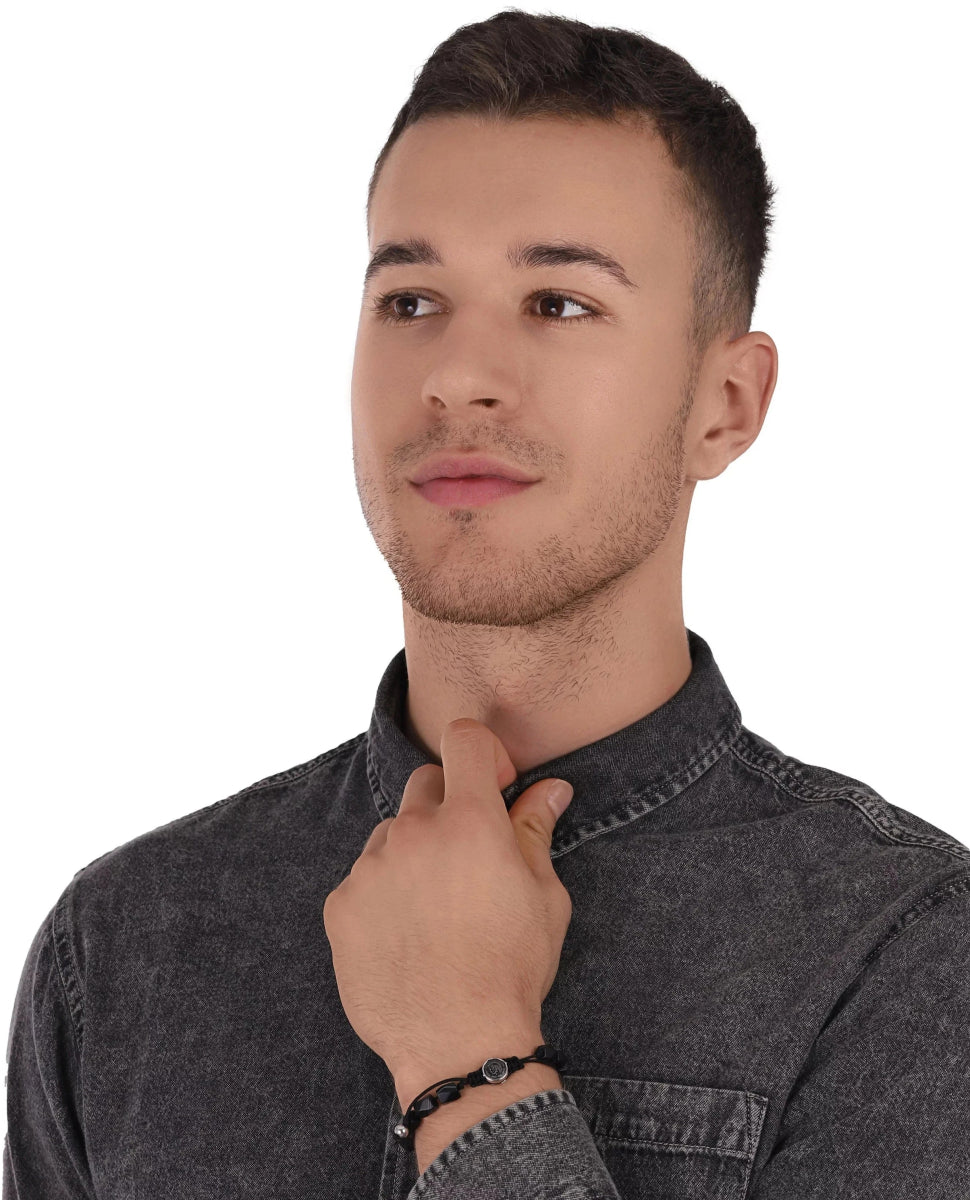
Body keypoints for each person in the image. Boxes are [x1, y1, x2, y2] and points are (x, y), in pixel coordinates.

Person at [5, 8, 969, 1198]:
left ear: (725, 405)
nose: (457, 376)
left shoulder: (906, 951)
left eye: (558, 302)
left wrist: (469, 1061)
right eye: (410, 302)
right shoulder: (125, 942)